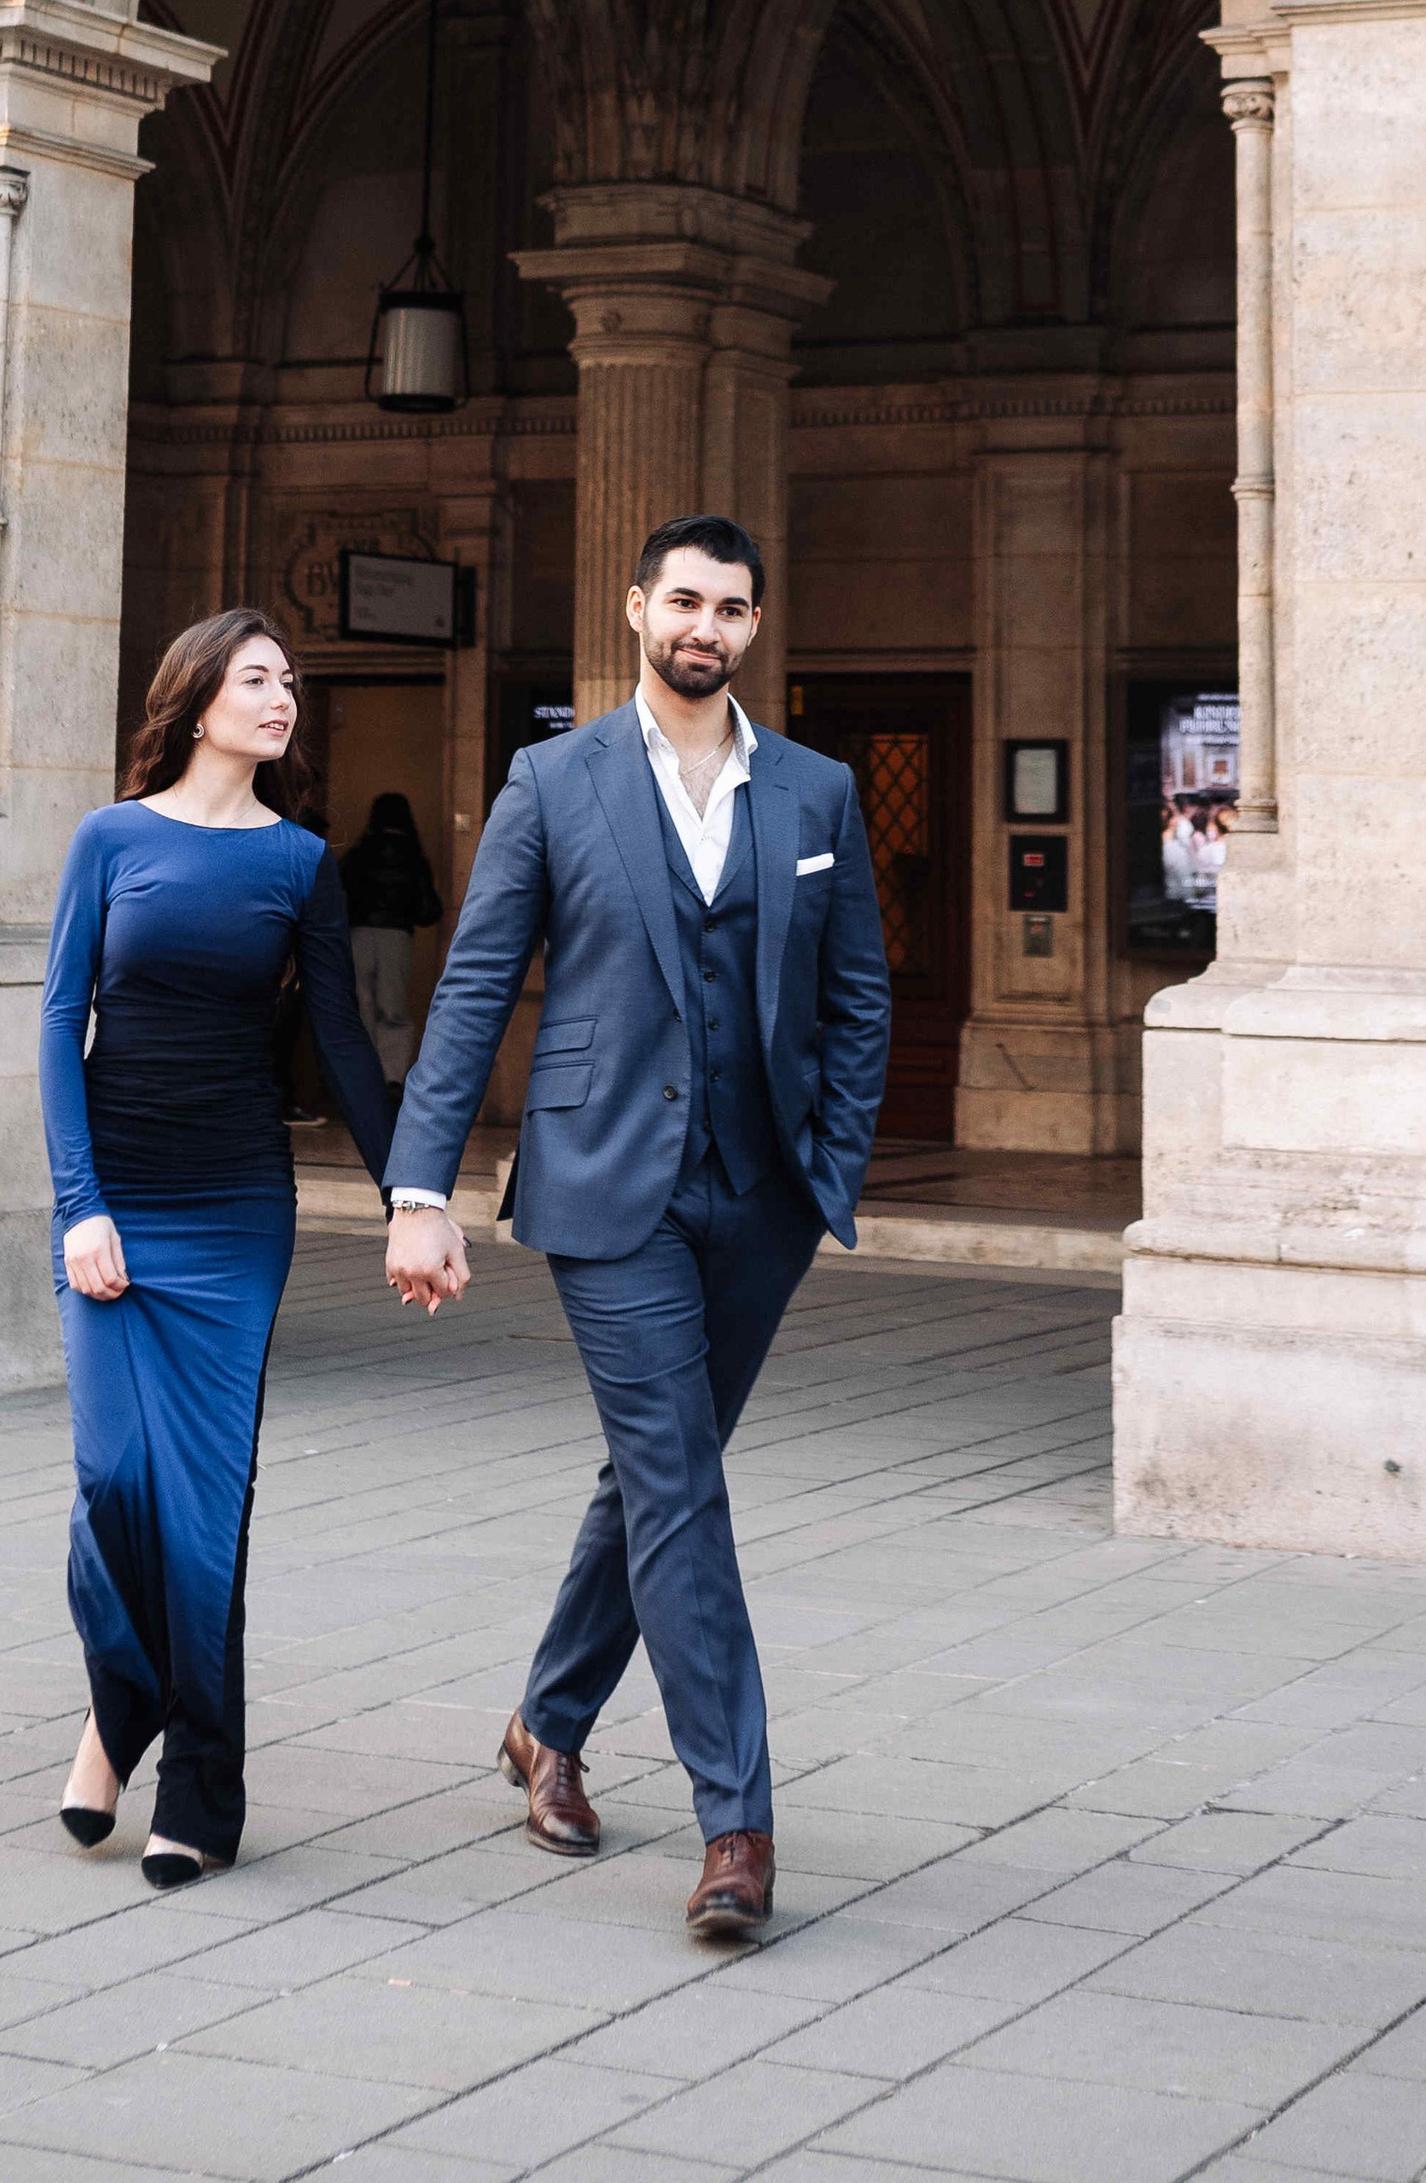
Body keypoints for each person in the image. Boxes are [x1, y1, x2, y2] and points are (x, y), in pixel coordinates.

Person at [382, 515, 890, 1945]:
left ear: (753, 628)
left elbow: (859, 994)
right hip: (609, 1190)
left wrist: (830, 1164)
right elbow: (476, 985)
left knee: (656, 1471)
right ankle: (740, 1822)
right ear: (636, 611)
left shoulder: (816, 792)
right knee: (681, 1489)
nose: (704, 626)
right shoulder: (555, 781)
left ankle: (545, 1724)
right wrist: (423, 1193)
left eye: (730, 607)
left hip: (761, 1200)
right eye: (683, 600)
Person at [39, 608, 394, 1886]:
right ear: (196, 701)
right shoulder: (111, 839)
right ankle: (117, 1712)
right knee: (113, 1488)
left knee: (205, 1509)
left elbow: (342, 1042)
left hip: (235, 1211)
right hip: (116, 1204)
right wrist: (80, 1204)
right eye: (257, 679)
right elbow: (57, 1022)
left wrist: (413, 1186)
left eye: (290, 681)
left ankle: (203, 1787)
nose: (281, 696)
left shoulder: (299, 861)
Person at [339, 789, 442, 1096]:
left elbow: (335, 887)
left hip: (358, 934)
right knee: (394, 1011)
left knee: (362, 1007)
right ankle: (393, 1078)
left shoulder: (360, 852)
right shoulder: (415, 856)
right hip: (397, 936)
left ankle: (364, 1076)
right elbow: (429, 910)